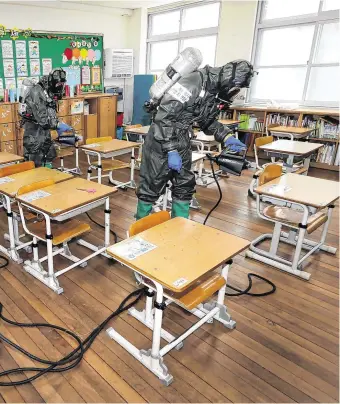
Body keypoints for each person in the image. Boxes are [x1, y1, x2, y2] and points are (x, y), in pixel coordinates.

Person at [136, 59, 254, 220]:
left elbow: (207, 120)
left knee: (184, 184)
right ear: (228, 78)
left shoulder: (211, 89)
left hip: (183, 139)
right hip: (160, 140)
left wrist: (226, 136)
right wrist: (170, 150)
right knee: (152, 185)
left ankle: (179, 227)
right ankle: (139, 228)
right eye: (234, 87)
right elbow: (163, 118)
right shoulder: (191, 82)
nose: (233, 91)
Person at [22, 68, 73, 168]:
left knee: (49, 154)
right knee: (34, 159)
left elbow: (51, 110)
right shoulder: (37, 91)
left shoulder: (50, 90)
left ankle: (48, 175)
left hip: (44, 131)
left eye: (61, 84)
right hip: (34, 131)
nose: (60, 87)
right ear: (51, 81)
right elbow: (43, 119)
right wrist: (58, 125)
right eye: (58, 84)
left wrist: (56, 122)